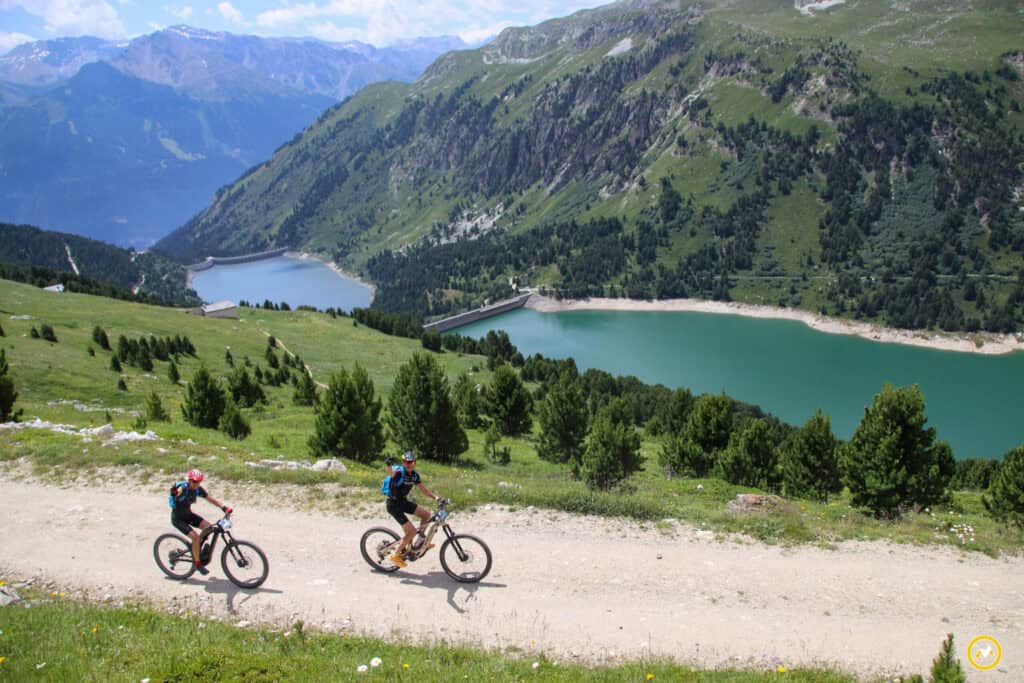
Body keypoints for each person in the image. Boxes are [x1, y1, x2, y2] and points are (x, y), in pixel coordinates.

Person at [384, 451, 442, 568]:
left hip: (403, 502)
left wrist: (436, 498)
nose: (408, 464)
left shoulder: (414, 475)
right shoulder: (399, 473)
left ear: (414, 463)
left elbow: (424, 490)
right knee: (411, 532)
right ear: (403, 462)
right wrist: (389, 465)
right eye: (406, 462)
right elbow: (391, 474)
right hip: (393, 505)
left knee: (426, 515)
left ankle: (420, 542)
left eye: (411, 462)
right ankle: (395, 555)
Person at [169, 468, 231, 575]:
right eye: (194, 481)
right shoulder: (183, 488)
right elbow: (176, 493)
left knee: (208, 527)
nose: (196, 484)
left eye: (198, 482)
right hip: (178, 519)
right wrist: (174, 493)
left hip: (188, 515)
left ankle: (197, 546)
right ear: (189, 480)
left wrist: (223, 507)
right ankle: (197, 563)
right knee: (196, 538)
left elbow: (209, 498)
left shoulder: (197, 489)